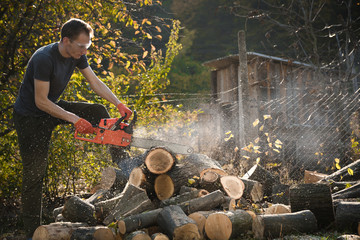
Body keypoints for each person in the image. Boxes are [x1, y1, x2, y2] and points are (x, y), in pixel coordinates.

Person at [13, 18, 132, 238]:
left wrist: (118, 104)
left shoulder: (76, 55)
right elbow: (41, 101)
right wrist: (74, 119)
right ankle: (32, 232)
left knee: (97, 111)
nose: (85, 50)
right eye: (81, 46)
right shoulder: (44, 59)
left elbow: (95, 82)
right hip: (30, 118)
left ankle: (126, 166)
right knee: (35, 174)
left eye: (87, 46)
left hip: (51, 108)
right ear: (66, 41)